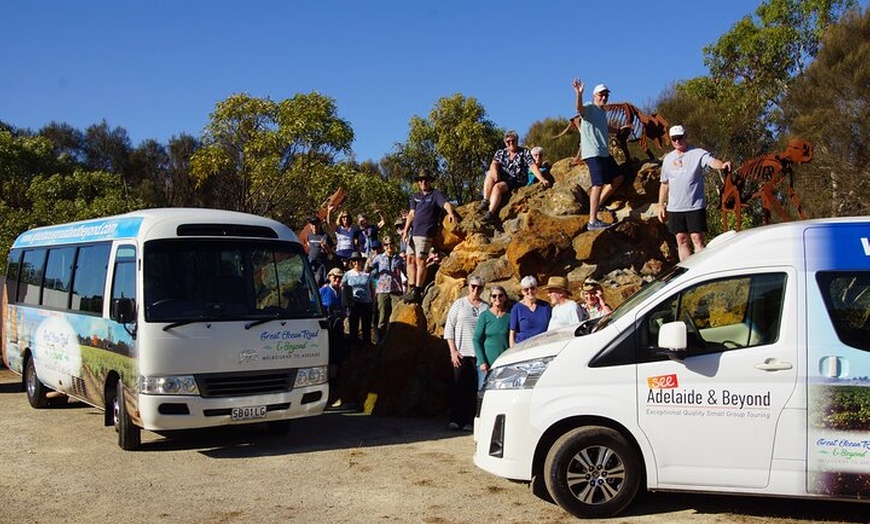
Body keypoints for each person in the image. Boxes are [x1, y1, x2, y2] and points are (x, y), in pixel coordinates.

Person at [657, 125, 733, 261]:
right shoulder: (668, 159)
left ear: (685, 136)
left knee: (697, 238)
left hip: (694, 206)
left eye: (680, 138)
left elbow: (711, 161)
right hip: (675, 207)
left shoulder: (698, 153)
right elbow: (664, 183)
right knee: (681, 239)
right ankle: (688, 273)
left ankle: (702, 270)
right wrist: (661, 205)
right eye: (674, 139)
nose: (677, 141)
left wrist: (722, 165)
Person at [572, 78, 624, 230]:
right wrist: (579, 94)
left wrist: (620, 130)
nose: (603, 97)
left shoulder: (601, 112)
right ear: (594, 95)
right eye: (601, 95)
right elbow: (579, 109)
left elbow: (605, 127)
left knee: (619, 178)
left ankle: (598, 204)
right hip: (593, 153)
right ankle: (592, 221)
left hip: (603, 153)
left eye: (606, 95)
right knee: (597, 184)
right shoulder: (589, 107)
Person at [401, 172, 458, 304]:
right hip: (412, 233)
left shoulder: (435, 194)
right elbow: (411, 214)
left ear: (429, 181)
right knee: (409, 259)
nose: (423, 182)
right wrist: (405, 231)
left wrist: (450, 213)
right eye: (420, 180)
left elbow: (446, 204)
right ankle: (411, 288)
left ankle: (417, 290)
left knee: (420, 260)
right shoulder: (415, 196)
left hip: (425, 233)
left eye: (425, 180)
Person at [443, 276, 488, 431]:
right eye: (473, 286)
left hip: (478, 355)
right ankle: (456, 419)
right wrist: (453, 351)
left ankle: (469, 420)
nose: (476, 290)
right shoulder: (459, 304)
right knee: (458, 386)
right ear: (468, 286)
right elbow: (449, 327)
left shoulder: (485, 307)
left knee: (474, 389)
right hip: (461, 352)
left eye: (479, 287)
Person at [479, 131, 550, 223]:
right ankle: (486, 200)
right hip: (504, 177)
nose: (511, 143)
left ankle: (490, 213)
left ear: (517, 141)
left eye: (513, 140)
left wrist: (542, 179)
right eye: (508, 141)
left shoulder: (524, 152)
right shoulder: (500, 153)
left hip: (517, 179)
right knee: (489, 173)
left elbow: (532, 166)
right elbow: (494, 164)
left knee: (498, 187)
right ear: (505, 143)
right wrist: (495, 172)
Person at [368, 235, 405, 344]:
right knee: (383, 316)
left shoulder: (398, 259)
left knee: (396, 317)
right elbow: (369, 269)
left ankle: (395, 341)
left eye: (391, 244)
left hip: (396, 290)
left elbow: (406, 271)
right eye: (387, 245)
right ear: (384, 246)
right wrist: (368, 263)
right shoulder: (379, 258)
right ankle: (380, 341)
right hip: (382, 290)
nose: (389, 246)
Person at [473, 284, 511, 389]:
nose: (497, 298)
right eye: (494, 296)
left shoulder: (509, 316)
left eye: (500, 295)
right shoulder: (484, 316)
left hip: (503, 362)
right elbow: (476, 339)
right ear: (490, 299)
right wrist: (482, 361)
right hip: (486, 364)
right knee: (483, 392)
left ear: (505, 297)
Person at [319, 267, 345, 394]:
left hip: (338, 327)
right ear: (329, 277)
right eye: (335, 277)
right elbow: (314, 305)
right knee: (326, 355)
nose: (337, 279)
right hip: (326, 328)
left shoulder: (342, 291)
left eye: (340, 277)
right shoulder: (323, 290)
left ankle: (333, 382)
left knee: (336, 355)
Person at [342, 251, 374, 347]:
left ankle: (367, 348)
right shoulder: (348, 275)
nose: (357, 263)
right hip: (354, 303)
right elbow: (342, 286)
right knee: (354, 327)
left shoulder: (367, 275)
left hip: (366, 303)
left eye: (358, 261)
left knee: (366, 327)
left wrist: (373, 303)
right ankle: (354, 348)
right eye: (354, 261)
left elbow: (372, 289)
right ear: (352, 263)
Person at [509, 276, 552, 346]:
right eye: (526, 289)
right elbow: (512, 332)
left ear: (536, 289)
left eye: (532, 288)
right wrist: (512, 349)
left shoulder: (545, 306)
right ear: (522, 292)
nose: (530, 291)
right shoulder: (516, 308)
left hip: (543, 345)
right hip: (523, 347)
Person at [304, 216, 334, 287]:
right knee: (307, 283)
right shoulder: (309, 235)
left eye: (316, 224)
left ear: (320, 224)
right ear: (310, 226)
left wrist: (325, 247)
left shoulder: (325, 236)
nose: (314, 226)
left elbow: (331, 254)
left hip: (320, 264)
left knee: (317, 283)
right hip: (310, 263)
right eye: (312, 224)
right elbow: (309, 246)